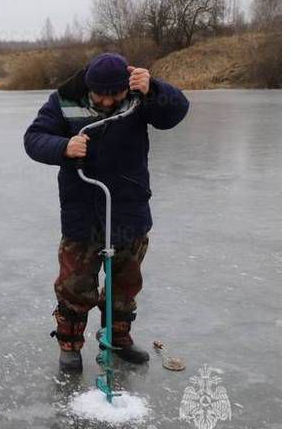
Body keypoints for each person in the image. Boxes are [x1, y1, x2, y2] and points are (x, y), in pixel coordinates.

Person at [23, 53, 189, 373]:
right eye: (101, 95)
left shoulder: (141, 98)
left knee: (125, 284)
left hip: (129, 208)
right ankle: (69, 346)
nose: (109, 101)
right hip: (82, 210)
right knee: (74, 284)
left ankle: (118, 339)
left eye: (116, 95)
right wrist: (63, 147)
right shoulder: (63, 101)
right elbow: (33, 139)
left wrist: (154, 86)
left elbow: (176, 112)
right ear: (89, 86)